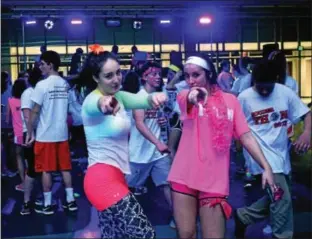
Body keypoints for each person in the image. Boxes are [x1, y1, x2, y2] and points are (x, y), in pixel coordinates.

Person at [167, 54, 275, 238]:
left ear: (209, 74)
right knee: (186, 234)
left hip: (214, 180)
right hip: (183, 175)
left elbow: (246, 136)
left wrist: (266, 166)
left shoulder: (231, 101)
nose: (191, 80)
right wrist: (194, 96)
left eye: (196, 75)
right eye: (187, 76)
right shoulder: (185, 97)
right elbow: (189, 97)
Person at [81, 47, 167, 239]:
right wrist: (104, 104)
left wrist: (158, 96)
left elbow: (142, 100)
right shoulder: (92, 100)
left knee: (115, 237)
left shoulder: (121, 96)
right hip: (101, 181)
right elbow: (99, 105)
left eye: (118, 73)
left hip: (118, 177)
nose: (116, 79)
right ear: (96, 78)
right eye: (109, 76)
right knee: (145, 234)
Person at [235, 60, 311, 239]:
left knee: (278, 197)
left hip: (281, 155)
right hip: (259, 157)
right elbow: (237, 128)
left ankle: (243, 216)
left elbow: (306, 114)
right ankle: (282, 235)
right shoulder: (244, 98)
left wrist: (307, 133)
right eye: (259, 87)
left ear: (275, 80)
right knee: (282, 200)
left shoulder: (285, 92)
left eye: (267, 87)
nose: (263, 91)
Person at [25, 51, 77, 215]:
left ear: (50, 65)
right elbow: (69, 111)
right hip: (61, 134)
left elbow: (35, 111)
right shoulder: (65, 84)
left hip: (45, 136)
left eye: (42, 64)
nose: (40, 67)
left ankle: (47, 204)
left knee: (46, 170)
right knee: (65, 168)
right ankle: (70, 201)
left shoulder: (42, 85)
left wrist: (30, 132)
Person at [126, 62, 173, 224]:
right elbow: (140, 123)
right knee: (127, 189)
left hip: (157, 153)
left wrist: (163, 121)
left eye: (159, 74)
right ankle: (120, 219)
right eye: (153, 74)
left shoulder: (159, 97)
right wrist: (158, 143)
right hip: (139, 153)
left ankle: (178, 217)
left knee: (167, 184)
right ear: (144, 77)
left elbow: (159, 119)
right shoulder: (139, 98)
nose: (158, 77)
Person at [20, 67, 43, 215]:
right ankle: (27, 202)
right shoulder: (28, 93)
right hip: (30, 134)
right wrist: (31, 134)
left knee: (40, 168)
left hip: (38, 134)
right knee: (33, 169)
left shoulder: (38, 92)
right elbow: (27, 116)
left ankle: (38, 198)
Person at [6, 79, 28, 191]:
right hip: (29, 132)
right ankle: (30, 181)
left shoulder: (10, 101)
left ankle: (24, 182)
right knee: (29, 158)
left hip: (18, 133)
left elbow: (7, 119)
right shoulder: (27, 100)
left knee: (19, 157)